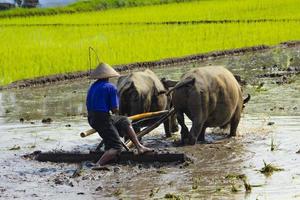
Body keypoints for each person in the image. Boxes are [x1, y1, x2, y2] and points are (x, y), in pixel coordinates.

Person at [86, 63, 153, 166]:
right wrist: (115, 111)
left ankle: (139, 147)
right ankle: (98, 164)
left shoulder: (92, 86)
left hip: (91, 118)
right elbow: (114, 109)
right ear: (108, 76)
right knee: (117, 147)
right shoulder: (110, 87)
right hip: (103, 119)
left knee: (124, 120)